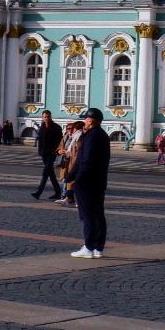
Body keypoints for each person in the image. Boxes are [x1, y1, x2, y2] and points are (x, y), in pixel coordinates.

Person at [65, 107, 110, 257]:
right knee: (98, 213)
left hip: (87, 182)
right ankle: (98, 248)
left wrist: (77, 178)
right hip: (99, 181)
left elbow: (85, 160)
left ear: (90, 121)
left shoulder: (91, 136)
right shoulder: (102, 135)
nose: (84, 121)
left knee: (87, 214)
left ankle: (88, 247)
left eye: (85, 118)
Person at [32, 113, 64, 200]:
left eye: (48, 117)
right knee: (51, 173)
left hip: (52, 153)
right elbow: (40, 140)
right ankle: (58, 193)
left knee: (46, 172)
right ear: (42, 118)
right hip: (44, 153)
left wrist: (55, 150)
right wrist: (40, 151)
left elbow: (59, 140)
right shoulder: (41, 127)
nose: (46, 118)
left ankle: (38, 192)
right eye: (45, 117)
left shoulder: (56, 127)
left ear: (50, 117)